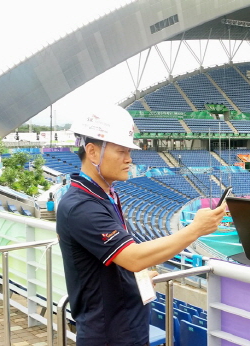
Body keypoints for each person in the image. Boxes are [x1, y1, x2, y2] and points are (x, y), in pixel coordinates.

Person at [57, 106, 226, 346]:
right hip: (109, 336)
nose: (129, 159)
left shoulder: (104, 196)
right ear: (93, 152)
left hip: (125, 328)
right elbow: (133, 258)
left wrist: (132, 278)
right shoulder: (82, 206)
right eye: (121, 151)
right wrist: (195, 229)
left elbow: (113, 260)